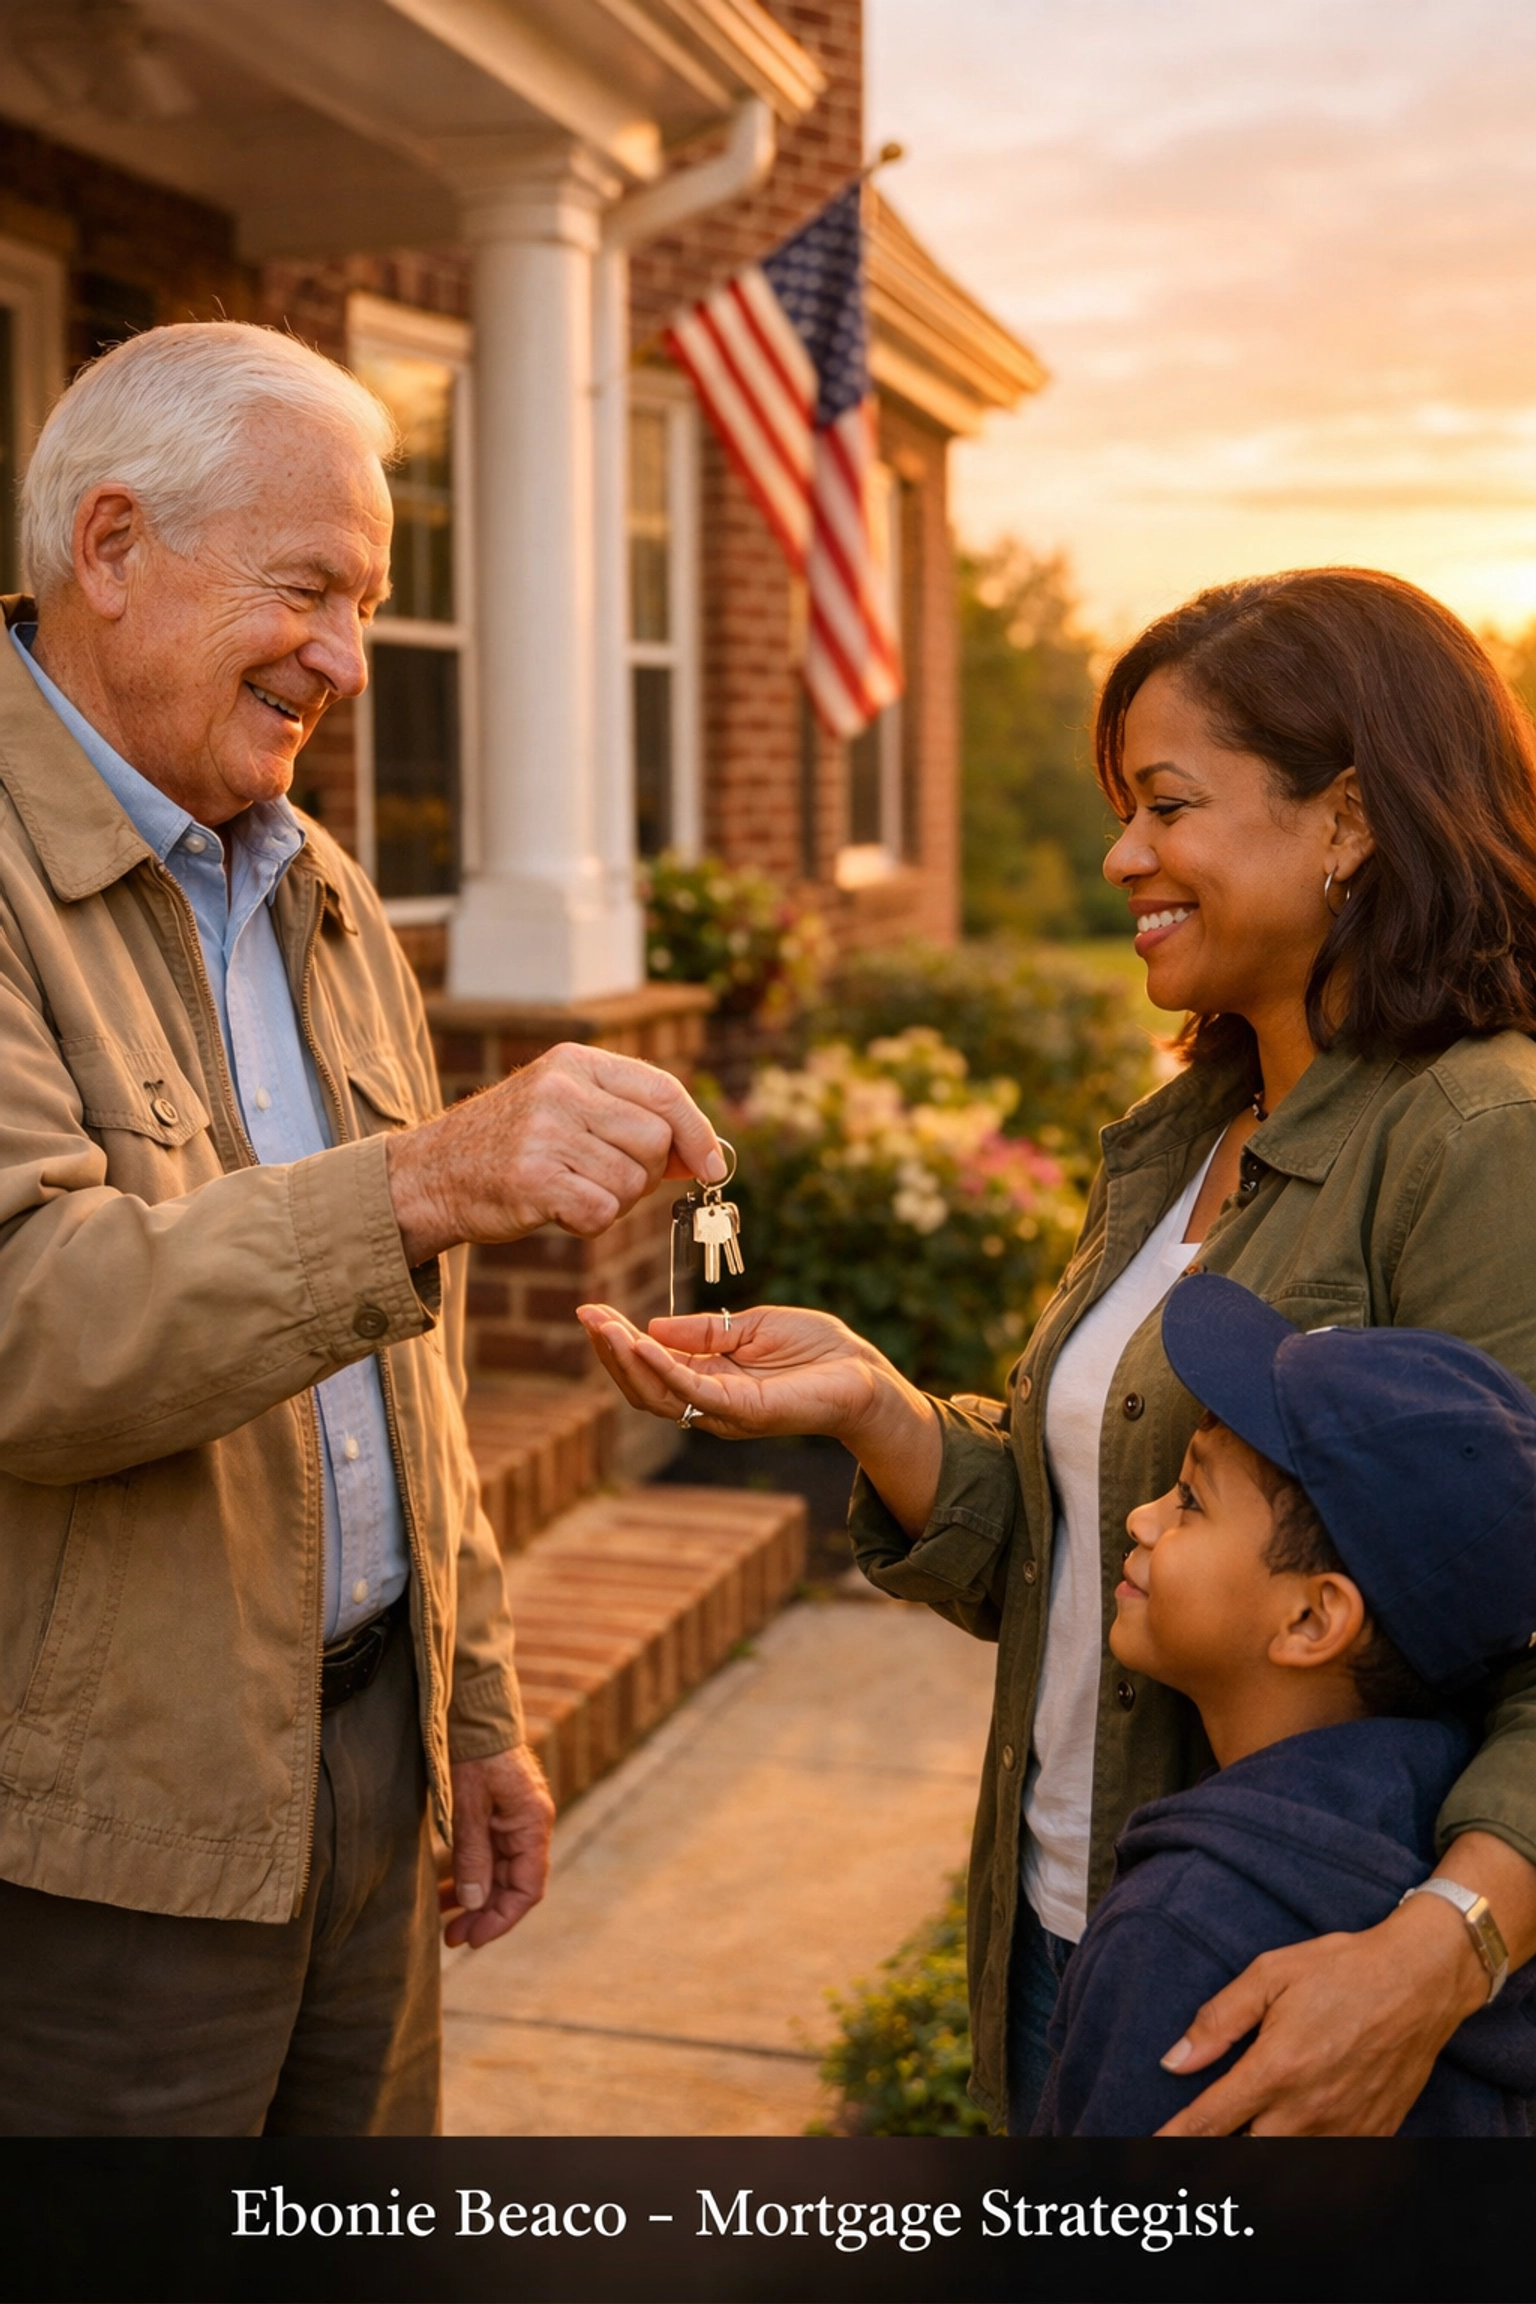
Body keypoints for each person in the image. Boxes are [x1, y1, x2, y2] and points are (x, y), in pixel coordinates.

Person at [582, 567, 1536, 2136]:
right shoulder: (1190, 1137)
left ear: (1349, 823)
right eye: (1122, 809)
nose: (1120, 857)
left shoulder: (1471, 1136)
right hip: (1073, 1928)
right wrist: (876, 1410)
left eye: (1168, 806)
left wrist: (1442, 1954)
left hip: (1301, 1991)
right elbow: (1094, 1550)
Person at [0, 321, 725, 2136]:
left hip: (370, 1765)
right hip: (96, 1845)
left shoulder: (307, 877)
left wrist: (470, 1701)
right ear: (111, 548)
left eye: (368, 598)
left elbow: (405, 1373)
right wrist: (428, 1180)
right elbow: (31, 1328)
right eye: (308, 588)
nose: (349, 656)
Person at [1034, 1271, 1536, 2135]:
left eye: (1190, 1498)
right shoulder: (1435, 1805)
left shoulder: (1181, 1933)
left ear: (1312, 1619)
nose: (1143, 1520)